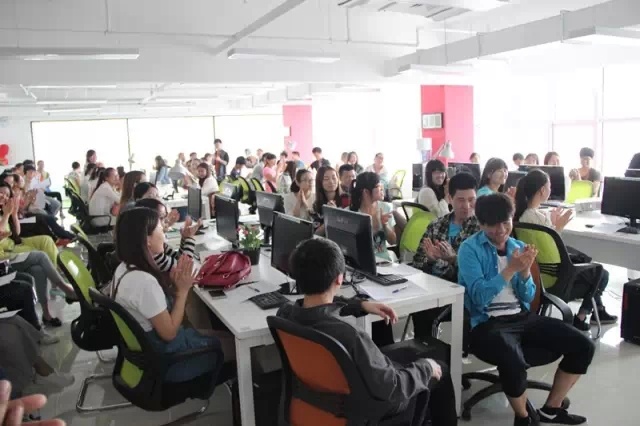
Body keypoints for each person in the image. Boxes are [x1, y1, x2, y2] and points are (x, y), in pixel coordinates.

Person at [277, 238, 458, 426]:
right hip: (371, 407)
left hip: (320, 405)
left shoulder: (285, 314)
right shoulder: (349, 335)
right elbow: (392, 388)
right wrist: (426, 368)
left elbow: (319, 307)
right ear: (340, 279)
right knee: (440, 369)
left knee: (402, 354)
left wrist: (360, 304)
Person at [458, 193, 595, 426]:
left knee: (584, 345)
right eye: (493, 225)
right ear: (481, 224)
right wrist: (510, 269)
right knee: (511, 357)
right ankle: (524, 418)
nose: (501, 230)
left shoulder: (518, 247)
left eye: (506, 222)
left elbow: (528, 297)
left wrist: (524, 273)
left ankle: (551, 409)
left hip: (521, 317)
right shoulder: (469, 249)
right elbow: (479, 297)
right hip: (487, 323)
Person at [110, 208, 229, 383]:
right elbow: (170, 333)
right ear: (147, 240)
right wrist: (182, 291)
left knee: (222, 335)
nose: (164, 236)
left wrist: (174, 286)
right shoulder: (144, 282)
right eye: (160, 229)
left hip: (153, 354)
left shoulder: (124, 269)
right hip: (169, 364)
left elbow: (154, 309)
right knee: (239, 344)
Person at [513, 170, 617, 330]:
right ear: (542, 190)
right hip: (557, 279)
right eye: (549, 186)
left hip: (538, 274)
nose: (551, 189)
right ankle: (581, 317)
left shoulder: (522, 215)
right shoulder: (538, 217)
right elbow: (553, 249)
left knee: (588, 265)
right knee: (601, 274)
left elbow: (545, 247)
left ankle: (599, 310)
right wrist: (558, 227)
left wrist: (553, 225)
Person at [0, 183, 76, 326]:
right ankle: (64, 288)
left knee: (39, 269)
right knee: (40, 255)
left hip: (12, 248)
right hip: (4, 258)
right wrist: (6, 215)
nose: (3, 197)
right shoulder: (3, 212)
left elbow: (16, 232)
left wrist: (13, 213)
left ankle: (46, 314)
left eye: (6, 194)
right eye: (1, 193)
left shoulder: (3, 209)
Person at [135, 198, 200, 272]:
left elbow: (177, 258)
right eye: (161, 218)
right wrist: (190, 237)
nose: (167, 221)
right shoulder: (153, 255)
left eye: (165, 216)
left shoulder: (155, 246)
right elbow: (183, 268)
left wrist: (184, 238)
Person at [350, 172, 396, 262]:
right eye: (378, 186)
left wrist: (385, 225)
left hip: (383, 261)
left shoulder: (386, 207)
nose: (382, 189)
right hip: (361, 261)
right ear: (366, 192)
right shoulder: (351, 213)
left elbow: (393, 241)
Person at [312, 166, 340, 236]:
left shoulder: (346, 200)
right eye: (326, 179)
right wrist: (330, 216)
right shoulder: (317, 205)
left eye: (334, 177)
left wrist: (337, 213)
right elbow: (316, 233)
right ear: (319, 182)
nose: (331, 181)